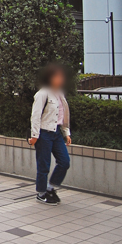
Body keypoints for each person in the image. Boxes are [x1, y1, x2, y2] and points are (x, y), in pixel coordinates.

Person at [28, 64, 71, 205]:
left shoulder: (60, 94)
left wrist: (66, 132)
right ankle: (41, 193)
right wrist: (35, 135)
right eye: (57, 76)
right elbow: (35, 115)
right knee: (44, 165)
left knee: (64, 161)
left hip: (56, 133)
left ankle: (50, 187)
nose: (60, 79)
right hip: (43, 133)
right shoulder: (42, 93)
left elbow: (63, 115)